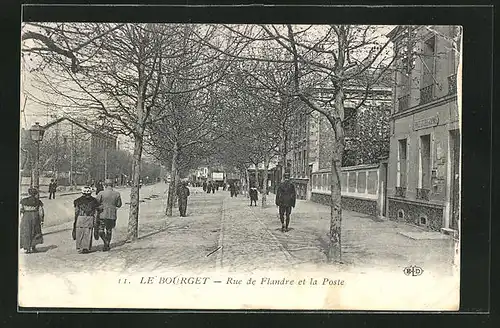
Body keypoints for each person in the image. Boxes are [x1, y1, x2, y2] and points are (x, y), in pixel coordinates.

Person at [95, 179, 122, 251]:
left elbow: (96, 203)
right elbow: (119, 204)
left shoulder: (101, 193)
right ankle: (107, 244)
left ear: (105, 185)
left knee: (101, 230)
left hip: (102, 214)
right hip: (112, 214)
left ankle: (105, 242)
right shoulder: (117, 194)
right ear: (112, 185)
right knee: (109, 230)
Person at [73, 186, 101, 254]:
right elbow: (96, 212)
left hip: (80, 217)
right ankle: (86, 247)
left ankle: (80, 247)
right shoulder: (94, 201)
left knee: (80, 232)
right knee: (88, 232)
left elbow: (76, 211)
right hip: (89, 217)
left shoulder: (77, 201)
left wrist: (76, 219)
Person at [19, 187, 44, 253]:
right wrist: (42, 220)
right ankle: (33, 247)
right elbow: (41, 212)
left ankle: (27, 248)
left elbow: (21, 210)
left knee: (26, 231)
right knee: (35, 231)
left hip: (26, 216)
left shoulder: (24, 200)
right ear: (35, 194)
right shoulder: (38, 201)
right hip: (35, 216)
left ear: (29, 193)